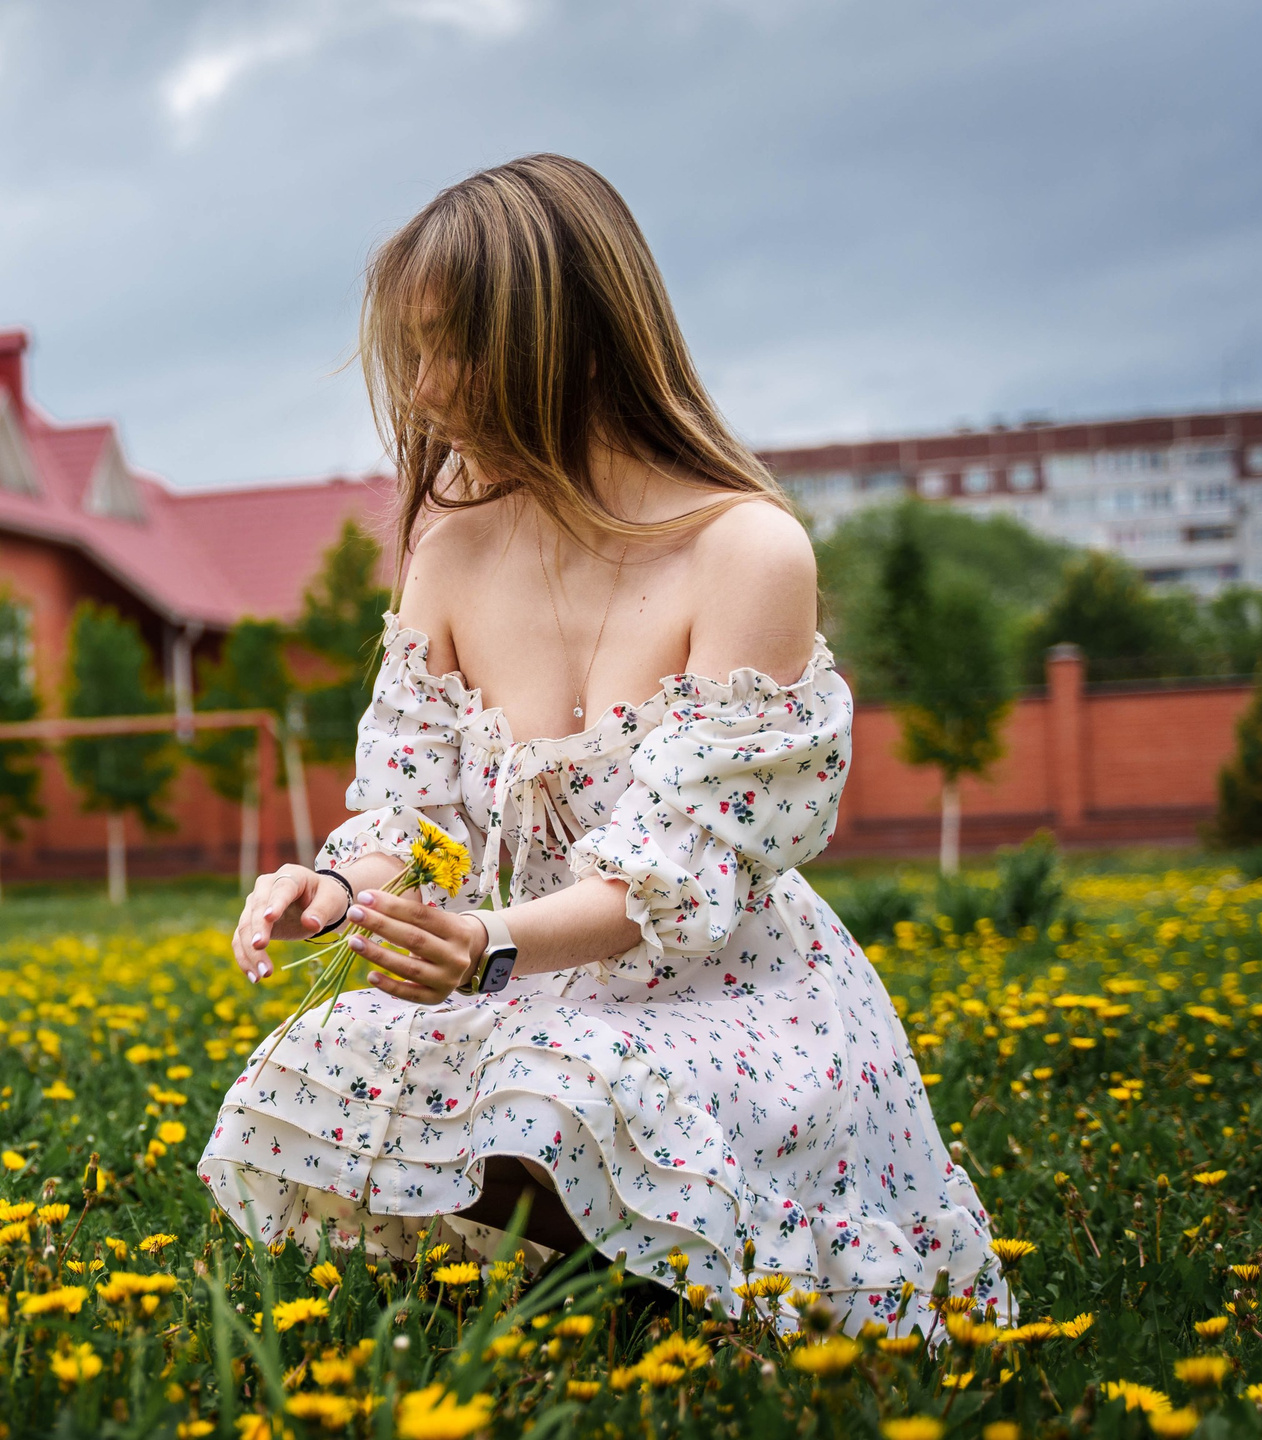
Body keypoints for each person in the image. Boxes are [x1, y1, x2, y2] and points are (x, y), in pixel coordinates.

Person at [197, 154, 1010, 1338]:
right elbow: (420, 814)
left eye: (449, 349)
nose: (420, 390)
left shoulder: (746, 552)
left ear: (567, 343)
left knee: (575, 1082)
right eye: (409, 353)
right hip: (525, 983)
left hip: (724, 994)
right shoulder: (449, 549)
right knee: (330, 1055)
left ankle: (659, 1282)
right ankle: (610, 1280)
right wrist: (339, 888)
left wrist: (486, 948)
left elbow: (675, 875)